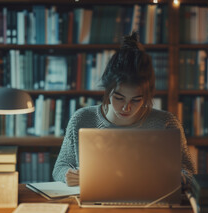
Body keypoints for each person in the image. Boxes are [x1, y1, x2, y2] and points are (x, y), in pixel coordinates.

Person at [52, 32, 196, 186]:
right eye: (119, 98)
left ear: (147, 96)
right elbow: (60, 168)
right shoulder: (82, 119)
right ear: (108, 91)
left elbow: (189, 172)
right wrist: (68, 175)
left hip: (150, 203)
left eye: (136, 100)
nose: (126, 107)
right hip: (95, 202)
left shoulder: (166, 123)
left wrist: (178, 178)